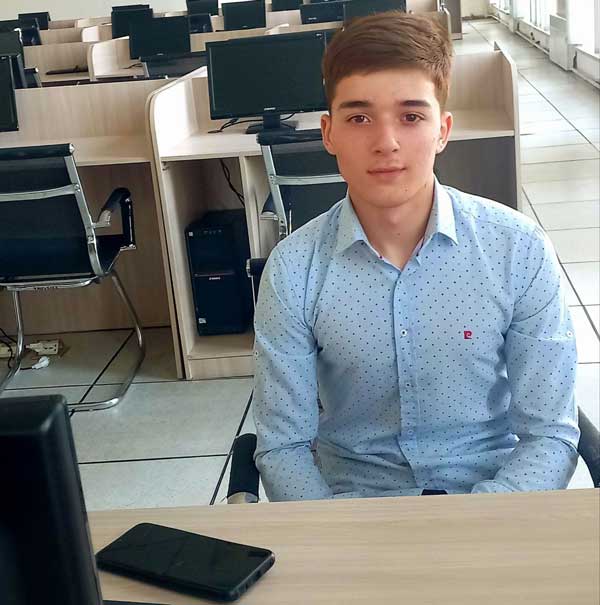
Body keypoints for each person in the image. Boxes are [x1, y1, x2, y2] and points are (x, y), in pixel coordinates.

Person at [252, 13, 580, 501]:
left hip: (492, 498)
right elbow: (283, 448)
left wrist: (482, 522)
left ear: (442, 130)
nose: (386, 142)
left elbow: (550, 434)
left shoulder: (517, 249)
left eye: (411, 117)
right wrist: (334, 530)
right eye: (359, 118)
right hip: (354, 507)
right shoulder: (293, 269)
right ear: (329, 133)